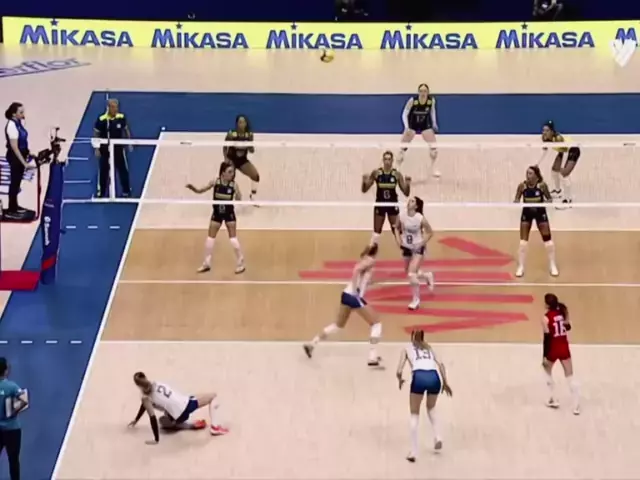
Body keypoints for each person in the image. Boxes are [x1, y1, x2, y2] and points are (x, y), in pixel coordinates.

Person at [303, 244, 383, 366]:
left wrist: (373, 282)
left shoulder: (364, 259)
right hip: (354, 296)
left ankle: (312, 344)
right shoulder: (370, 261)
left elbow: (363, 277)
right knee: (376, 323)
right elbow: (357, 270)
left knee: (338, 325)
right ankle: (372, 357)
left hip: (346, 295)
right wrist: (356, 288)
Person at [396, 330, 452, 462]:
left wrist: (400, 379)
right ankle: (438, 436)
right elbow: (441, 365)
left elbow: (399, 370)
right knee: (431, 408)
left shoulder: (406, 348)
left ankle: (414, 452)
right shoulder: (429, 348)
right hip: (434, 376)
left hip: (419, 376)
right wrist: (445, 382)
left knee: (414, 413)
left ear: (412, 337)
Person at [128, 371, 229, 444]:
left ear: (138, 385)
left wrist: (156, 439)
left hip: (181, 410)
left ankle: (191, 425)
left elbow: (151, 416)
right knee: (213, 396)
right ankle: (213, 426)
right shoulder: (155, 383)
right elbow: (146, 407)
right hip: (185, 402)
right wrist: (136, 419)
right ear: (145, 377)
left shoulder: (145, 397)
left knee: (162, 421)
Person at [186, 162, 246, 274]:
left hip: (229, 214)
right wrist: (193, 188)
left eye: (233, 172)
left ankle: (240, 262)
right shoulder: (215, 182)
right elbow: (201, 190)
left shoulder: (234, 185)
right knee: (210, 238)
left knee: (233, 238)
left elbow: (239, 199)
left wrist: (238, 194)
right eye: (229, 172)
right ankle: (206, 263)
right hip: (217, 213)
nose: (232, 174)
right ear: (223, 173)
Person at [513, 166, 558, 278]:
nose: (528, 176)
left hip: (540, 214)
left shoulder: (542, 186)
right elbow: (516, 199)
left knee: (548, 242)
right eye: (527, 173)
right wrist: (516, 202)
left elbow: (549, 199)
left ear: (536, 175)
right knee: (523, 243)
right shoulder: (522, 186)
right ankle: (521, 267)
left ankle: (552, 265)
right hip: (527, 214)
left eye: (530, 173)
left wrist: (545, 203)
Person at [361, 151, 411, 246]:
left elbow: (406, 193)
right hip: (380, 204)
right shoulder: (376, 173)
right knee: (377, 231)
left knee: (397, 230)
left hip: (392, 205)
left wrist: (408, 184)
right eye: (385, 159)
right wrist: (363, 182)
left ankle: (406, 248)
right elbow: (364, 189)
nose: (387, 161)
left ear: (392, 161)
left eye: (389, 159)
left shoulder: (397, 174)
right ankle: (372, 250)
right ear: (383, 160)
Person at [394, 197, 435, 310]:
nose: (409, 202)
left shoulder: (420, 218)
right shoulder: (401, 215)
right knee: (409, 271)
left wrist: (421, 243)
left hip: (417, 248)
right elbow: (396, 228)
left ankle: (416, 300)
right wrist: (398, 240)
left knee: (411, 274)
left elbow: (430, 232)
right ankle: (427, 275)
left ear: (416, 206)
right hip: (406, 247)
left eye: (412, 201)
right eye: (409, 200)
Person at [541, 293, 579, 415]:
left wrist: (545, 356)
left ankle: (553, 398)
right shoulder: (562, 312)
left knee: (547, 371)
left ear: (547, 304)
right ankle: (576, 405)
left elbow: (547, 339)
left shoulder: (545, 318)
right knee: (570, 376)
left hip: (553, 348)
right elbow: (568, 327)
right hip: (564, 347)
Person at [398, 84, 440, 177]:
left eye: (425, 91)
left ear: (428, 92)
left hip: (425, 125)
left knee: (434, 148)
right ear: (418, 92)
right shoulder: (413, 101)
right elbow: (404, 113)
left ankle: (433, 169)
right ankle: (398, 168)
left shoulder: (431, 101)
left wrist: (434, 123)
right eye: (421, 91)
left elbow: (432, 111)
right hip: (412, 125)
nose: (423, 93)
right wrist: (406, 127)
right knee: (402, 148)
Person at [93, 98, 132, 198]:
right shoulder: (102, 119)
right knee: (104, 171)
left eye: (117, 107)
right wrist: (97, 148)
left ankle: (126, 190)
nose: (116, 109)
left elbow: (126, 130)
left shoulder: (121, 117)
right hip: (105, 150)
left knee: (123, 170)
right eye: (113, 107)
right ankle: (101, 192)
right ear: (109, 108)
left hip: (118, 149)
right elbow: (96, 134)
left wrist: (129, 143)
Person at [4, 102, 35, 219]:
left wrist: (28, 153)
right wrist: (24, 163)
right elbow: (15, 147)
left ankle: (15, 205)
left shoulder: (18, 123)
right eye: (20, 112)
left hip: (21, 155)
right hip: (15, 157)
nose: (23, 114)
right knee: (14, 182)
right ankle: (11, 209)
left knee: (17, 183)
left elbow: (22, 142)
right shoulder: (11, 126)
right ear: (13, 114)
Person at [0, 357, 29, 480]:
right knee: (13, 460)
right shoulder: (12, 386)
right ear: (6, 370)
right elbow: (24, 400)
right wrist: (14, 411)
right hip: (13, 429)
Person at [540, 120, 580, 207]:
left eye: (547, 130)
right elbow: (545, 151)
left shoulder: (558, 138)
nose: (544, 132)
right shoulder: (545, 138)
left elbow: (565, 153)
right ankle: (558, 191)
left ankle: (568, 199)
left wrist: (562, 168)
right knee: (554, 170)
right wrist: (538, 163)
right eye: (543, 130)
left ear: (552, 131)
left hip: (572, 150)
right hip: (563, 151)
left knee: (564, 174)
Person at [223, 115, 259, 201]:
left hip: (242, 160)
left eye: (243, 122)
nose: (241, 124)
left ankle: (253, 196)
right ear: (237, 124)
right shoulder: (231, 133)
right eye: (240, 122)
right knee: (229, 178)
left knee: (255, 176)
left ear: (246, 123)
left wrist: (250, 146)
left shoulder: (249, 134)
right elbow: (224, 146)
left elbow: (251, 150)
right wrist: (225, 158)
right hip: (232, 159)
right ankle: (229, 198)